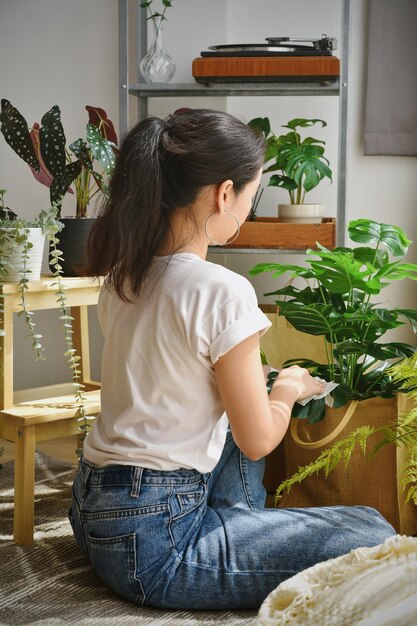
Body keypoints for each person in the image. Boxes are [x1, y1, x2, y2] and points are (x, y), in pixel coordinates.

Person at [69, 109, 395, 610]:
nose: (246, 208)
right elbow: (259, 440)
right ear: (225, 193)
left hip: (95, 509)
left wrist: (255, 381)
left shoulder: (122, 278)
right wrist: (287, 389)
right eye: (251, 195)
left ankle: (241, 527)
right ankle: (242, 530)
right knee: (371, 532)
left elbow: (165, 376)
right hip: (159, 546)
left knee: (245, 407)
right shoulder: (221, 290)